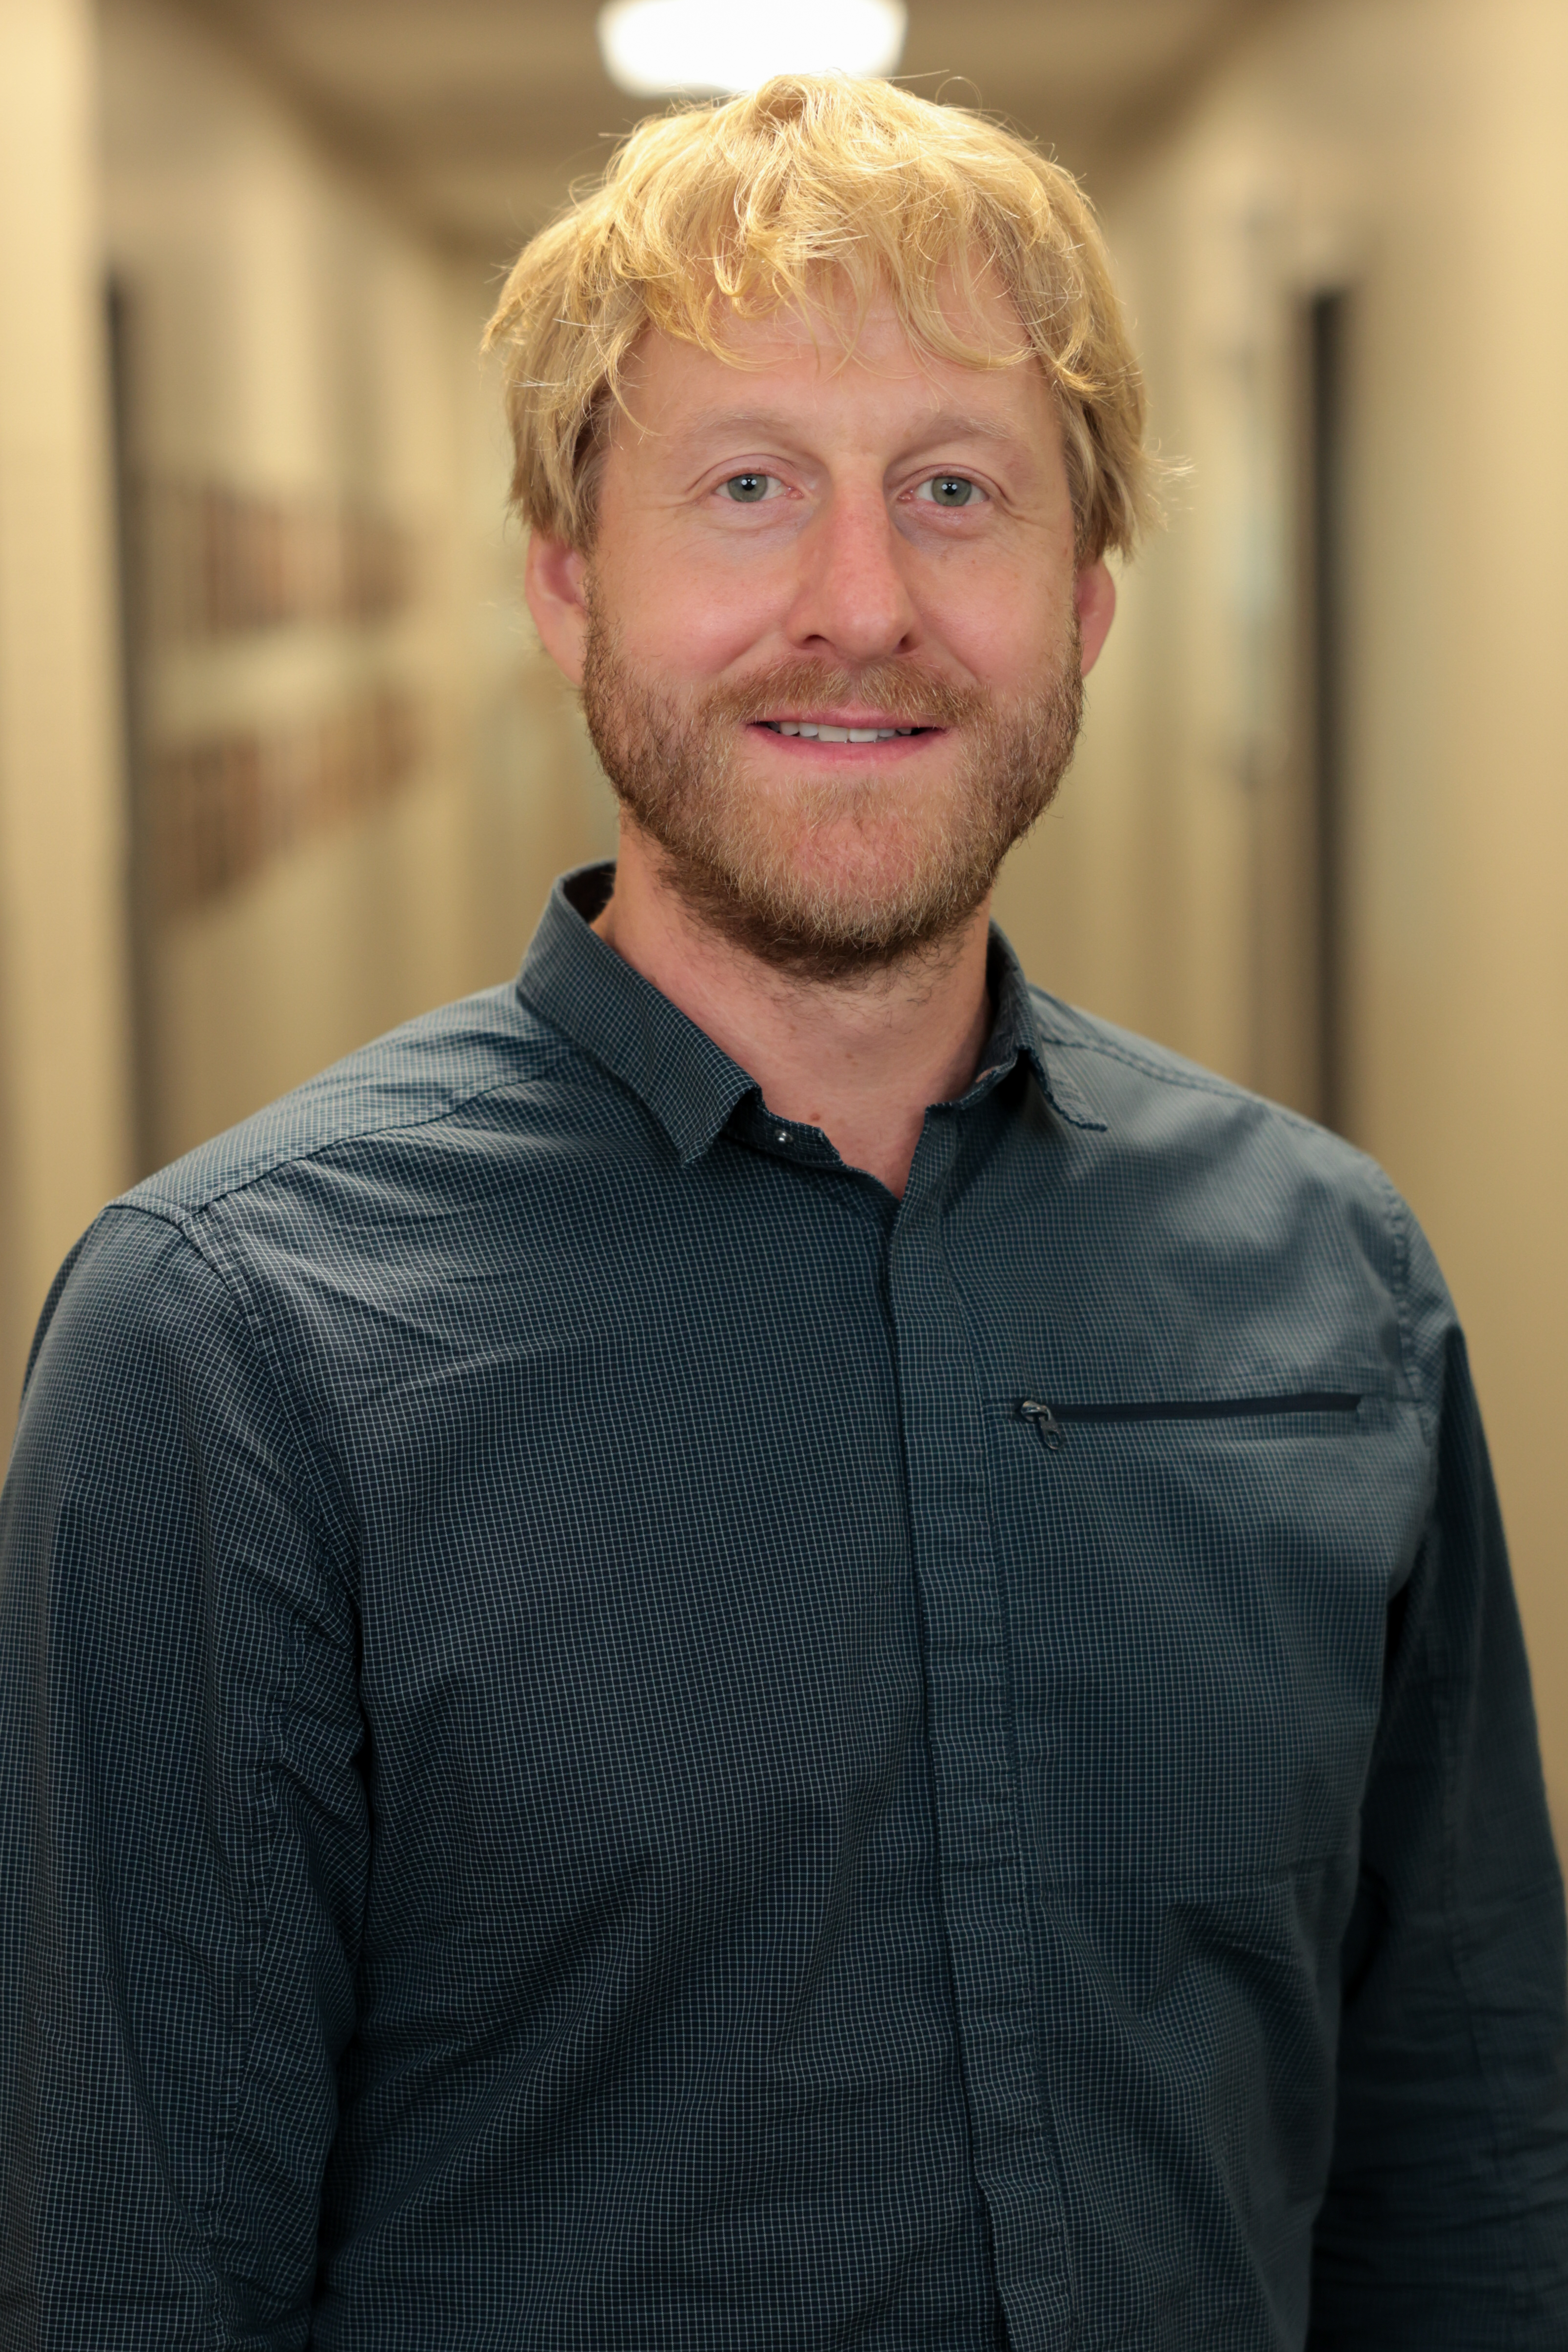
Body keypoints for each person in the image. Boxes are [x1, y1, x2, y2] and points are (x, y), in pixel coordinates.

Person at [1, 73, 1565, 2352]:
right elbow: (130, 2279)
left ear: (1091, 596)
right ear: (566, 579)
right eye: (748, 491)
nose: (863, 605)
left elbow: (1469, 2166)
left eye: (958, 491)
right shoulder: (234, 1348)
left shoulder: (1336, 1286)